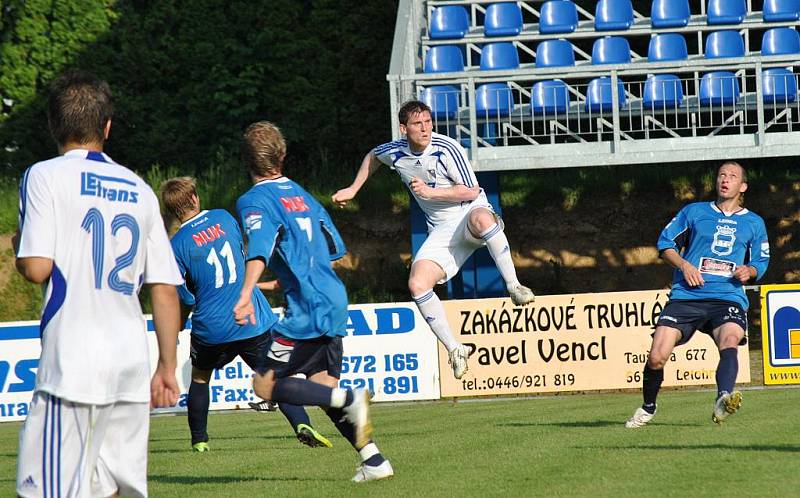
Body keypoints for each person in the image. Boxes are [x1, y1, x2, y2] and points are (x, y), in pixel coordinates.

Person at [14, 70, 183, 497]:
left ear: (54, 125)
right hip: (129, 362)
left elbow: (36, 267)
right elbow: (163, 287)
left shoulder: (45, 176)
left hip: (73, 362)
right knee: (110, 488)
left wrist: (20, 245)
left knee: (48, 490)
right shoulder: (140, 188)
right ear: (106, 127)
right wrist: (166, 365)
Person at [233, 121, 393, 482]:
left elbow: (259, 246)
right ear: (284, 156)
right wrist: (291, 272)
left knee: (266, 385)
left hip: (305, 307)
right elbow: (334, 248)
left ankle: (351, 400)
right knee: (322, 385)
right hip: (333, 297)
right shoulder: (302, 195)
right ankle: (373, 459)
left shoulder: (253, 200)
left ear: (245, 160)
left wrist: (246, 295)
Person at [332, 100, 535, 380]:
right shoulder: (396, 152)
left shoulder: (447, 147)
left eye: (428, 122)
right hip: (442, 231)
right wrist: (353, 189)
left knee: (483, 220)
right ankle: (455, 349)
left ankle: (513, 286)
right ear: (404, 129)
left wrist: (430, 193)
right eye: (418, 124)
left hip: (468, 213)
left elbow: (471, 191)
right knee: (417, 284)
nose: (426, 128)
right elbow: (373, 156)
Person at [160, 177, 332, 450]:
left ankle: (199, 442)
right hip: (251, 319)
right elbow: (243, 253)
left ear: (171, 210)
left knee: (200, 379)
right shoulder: (224, 218)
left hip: (212, 327)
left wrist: (188, 308)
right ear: (194, 198)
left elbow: (184, 295)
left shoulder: (175, 245)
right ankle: (302, 423)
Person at [625, 161, 769, 428]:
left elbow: (761, 261)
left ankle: (723, 398)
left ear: (743, 186)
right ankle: (648, 407)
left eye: (732, 176)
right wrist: (685, 265)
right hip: (687, 296)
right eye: (721, 175)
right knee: (657, 356)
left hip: (727, 297)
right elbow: (665, 244)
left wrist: (749, 270)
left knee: (730, 340)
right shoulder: (694, 212)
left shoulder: (754, 222)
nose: (725, 180)